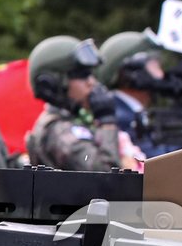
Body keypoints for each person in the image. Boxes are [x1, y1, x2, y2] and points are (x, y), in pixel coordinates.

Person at [25, 35, 130, 171]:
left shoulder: (69, 122)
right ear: (52, 83)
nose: (91, 82)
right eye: (82, 75)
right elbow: (106, 174)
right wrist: (107, 123)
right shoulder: (59, 130)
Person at [96, 30, 178, 157]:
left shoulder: (130, 111)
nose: (161, 74)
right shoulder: (122, 117)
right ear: (133, 73)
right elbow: (154, 159)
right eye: (154, 67)